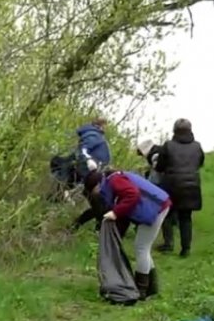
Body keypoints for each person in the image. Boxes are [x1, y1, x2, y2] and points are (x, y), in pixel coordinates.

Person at [82, 167, 171, 298]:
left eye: (93, 191)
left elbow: (132, 195)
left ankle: (141, 290)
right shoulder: (112, 182)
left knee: (141, 248)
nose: (95, 195)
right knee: (143, 248)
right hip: (157, 205)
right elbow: (125, 213)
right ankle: (152, 287)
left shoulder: (114, 180)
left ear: (96, 185)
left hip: (156, 207)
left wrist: (115, 212)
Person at [154, 119, 205, 256]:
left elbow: (160, 166)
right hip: (192, 184)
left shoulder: (168, 145)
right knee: (186, 217)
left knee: (167, 215)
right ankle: (185, 249)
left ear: (174, 131)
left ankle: (168, 244)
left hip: (172, 184)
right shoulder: (197, 146)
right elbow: (200, 162)